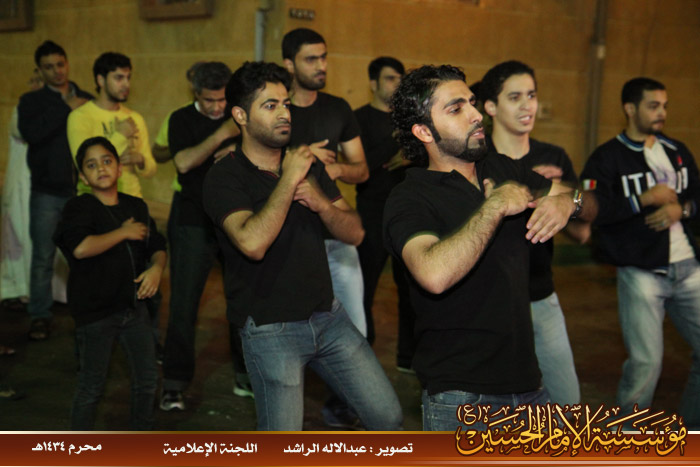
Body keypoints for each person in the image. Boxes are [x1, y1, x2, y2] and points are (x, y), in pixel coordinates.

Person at [202, 61, 402, 431]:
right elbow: (252, 243)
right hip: (270, 330)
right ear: (240, 116)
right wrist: (289, 179)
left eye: (285, 103)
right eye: (270, 105)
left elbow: (355, 233)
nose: (284, 113)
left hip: (328, 316)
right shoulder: (225, 176)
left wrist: (322, 203)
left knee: (387, 417)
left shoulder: (309, 166)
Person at [384, 65, 578, 431]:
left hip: (528, 385)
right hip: (461, 398)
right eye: (456, 109)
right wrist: (495, 207)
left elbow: (589, 201)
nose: (475, 115)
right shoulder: (409, 197)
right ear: (424, 131)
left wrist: (570, 202)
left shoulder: (501, 167)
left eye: (472, 103)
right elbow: (433, 275)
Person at [580, 77, 700, 430]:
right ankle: (627, 440)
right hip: (640, 272)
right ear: (630, 109)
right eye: (653, 106)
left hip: (688, 267)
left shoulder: (677, 151)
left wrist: (682, 210)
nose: (662, 112)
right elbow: (591, 211)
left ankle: (691, 433)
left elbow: (697, 197)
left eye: (664, 106)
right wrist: (642, 199)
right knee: (646, 365)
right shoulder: (607, 158)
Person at [283, 27, 370, 428]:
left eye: (324, 57)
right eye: (311, 59)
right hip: (291, 239)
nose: (321, 66)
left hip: (335, 233)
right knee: (291, 327)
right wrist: (301, 156)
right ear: (289, 64)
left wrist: (332, 170)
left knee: (354, 325)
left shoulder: (337, 108)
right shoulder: (278, 112)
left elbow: (361, 169)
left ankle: (342, 404)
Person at [480, 60, 581, 407]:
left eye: (532, 95)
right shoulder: (477, 159)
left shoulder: (553, 156)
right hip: (486, 303)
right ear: (490, 107)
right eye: (515, 97)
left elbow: (583, 230)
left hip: (540, 295)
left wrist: (565, 197)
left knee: (567, 405)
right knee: (488, 413)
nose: (528, 105)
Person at [53, 136, 166, 430]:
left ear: (119, 168)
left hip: (135, 308)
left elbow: (156, 244)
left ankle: (141, 440)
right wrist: (123, 232)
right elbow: (80, 248)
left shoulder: (135, 206)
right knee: (91, 386)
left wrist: (156, 268)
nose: (101, 168)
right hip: (96, 313)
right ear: (83, 177)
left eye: (107, 161)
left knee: (147, 380)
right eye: (91, 165)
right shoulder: (79, 208)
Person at [159, 62, 247, 411]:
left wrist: (238, 150)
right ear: (195, 93)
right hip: (192, 219)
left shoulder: (240, 113)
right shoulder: (181, 119)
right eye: (209, 100)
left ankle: (246, 374)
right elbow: (183, 162)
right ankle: (174, 383)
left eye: (222, 99)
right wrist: (222, 133)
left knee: (242, 300)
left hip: (234, 217)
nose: (217, 107)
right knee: (184, 303)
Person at [17, 40, 93, 341]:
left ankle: (89, 314)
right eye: (48, 67)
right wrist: (64, 108)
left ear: (67, 63)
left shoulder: (87, 99)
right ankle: (39, 315)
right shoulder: (31, 101)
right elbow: (31, 134)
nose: (57, 71)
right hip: (47, 191)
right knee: (43, 257)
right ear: (39, 70)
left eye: (60, 64)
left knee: (86, 257)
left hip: (82, 191)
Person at [354, 56, 416, 371]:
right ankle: (362, 351)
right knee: (364, 285)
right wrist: (395, 141)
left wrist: (411, 156)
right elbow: (361, 166)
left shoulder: (410, 120)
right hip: (372, 210)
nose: (397, 84)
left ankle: (408, 357)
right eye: (391, 78)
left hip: (407, 213)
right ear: (373, 83)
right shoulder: (359, 119)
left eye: (400, 79)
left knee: (411, 289)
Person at [67, 52, 156, 198]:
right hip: (93, 201)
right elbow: (83, 164)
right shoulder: (80, 117)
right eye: (119, 78)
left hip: (132, 198)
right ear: (101, 80)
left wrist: (140, 160)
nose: (126, 84)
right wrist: (121, 135)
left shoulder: (135, 118)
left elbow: (151, 169)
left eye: (128, 78)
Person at [1, 69, 43, 309]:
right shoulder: (23, 108)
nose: (35, 85)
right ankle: (19, 287)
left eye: (40, 81)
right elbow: (24, 132)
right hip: (21, 182)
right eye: (33, 80)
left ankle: (38, 288)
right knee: (18, 234)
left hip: (42, 183)